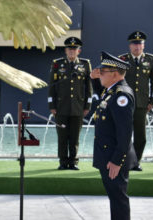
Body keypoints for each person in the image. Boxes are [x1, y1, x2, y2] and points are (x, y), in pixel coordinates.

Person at [91, 51, 138, 220]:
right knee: (115, 198)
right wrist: (94, 79)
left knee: (118, 199)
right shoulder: (112, 91)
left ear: (115, 74)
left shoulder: (121, 95)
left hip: (114, 158)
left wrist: (118, 160)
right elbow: (101, 100)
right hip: (108, 155)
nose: (100, 74)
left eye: (102, 72)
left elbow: (125, 132)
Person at [48, 37, 92, 170]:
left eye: (74, 49)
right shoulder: (57, 64)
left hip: (78, 107)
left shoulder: (85, 64)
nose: (72, 51)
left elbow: (88, 87)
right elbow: (52, 86)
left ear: (79, 51)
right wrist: (52, 105)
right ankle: (62, 162)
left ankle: (73, 162)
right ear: (66, 50)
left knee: (75, 137)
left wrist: (87, 105)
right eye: (69, 49)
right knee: (62, 137)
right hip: (61, 107)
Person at [118, 31, 153, 171]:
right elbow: (118, 81)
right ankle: (123, 161)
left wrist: (152, 100)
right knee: (124, 134)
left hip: (142, 103)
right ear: (130, 46)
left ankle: (135, 162)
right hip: (125, 103)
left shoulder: (150, 59)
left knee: (141, 136)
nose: (137, 47)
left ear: (143, 45)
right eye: (134, 44)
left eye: (140, 44)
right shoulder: (122, 59)